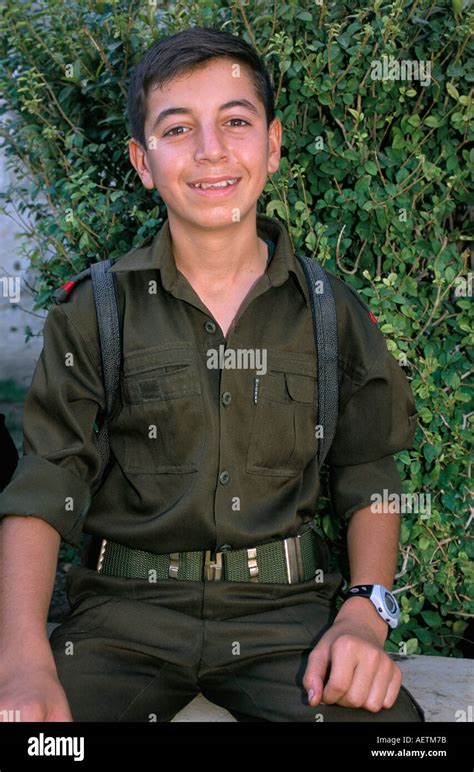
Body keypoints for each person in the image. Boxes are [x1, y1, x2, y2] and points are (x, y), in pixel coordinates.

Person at [0, 26, 425, 723]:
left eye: (235, 121)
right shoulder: (94, 312)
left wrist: (364, 612)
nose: (210, 150)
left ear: (274, 144)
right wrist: (20, 661)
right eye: (178, 128)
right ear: (143, 160)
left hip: (286, 618)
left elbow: (369, 471)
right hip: (120, 623)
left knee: (396, 737)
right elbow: (44, 488)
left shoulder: (330, 312)